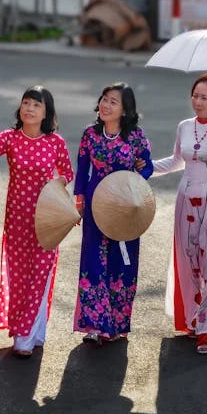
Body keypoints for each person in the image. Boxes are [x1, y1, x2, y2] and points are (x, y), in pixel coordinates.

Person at [0, 86, 75, 357]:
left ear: (46, 112)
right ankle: (31, 330)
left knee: (40, 274)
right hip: (17, 219)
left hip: (46, 218)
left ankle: (25, 336)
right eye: (26, 103)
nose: (29, 108)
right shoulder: (10, 138)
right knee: (19, 275)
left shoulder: (55, 143)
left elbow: (67, 173)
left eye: (36, 105)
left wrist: (54, 189)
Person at [152, 73, 207, 354]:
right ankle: (193, 321)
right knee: (189, 262)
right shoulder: (184, 127)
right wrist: (145, 167)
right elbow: (178, 161)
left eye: (204, 97)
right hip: (186, 201)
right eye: (195, 96)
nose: (198, 101)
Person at [73, 82, 153, 345]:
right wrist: (79, 199)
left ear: (125, 109)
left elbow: (148, 168)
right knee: (93, 263)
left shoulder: (136, 136)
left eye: (113, 102)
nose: (106, 105)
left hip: (126, 206)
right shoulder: (90, 134)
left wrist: (139, 171)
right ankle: (95, 326)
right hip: (96, 205)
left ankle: (117, 324)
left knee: (122, 264)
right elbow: (82, 168)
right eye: (104, 99)